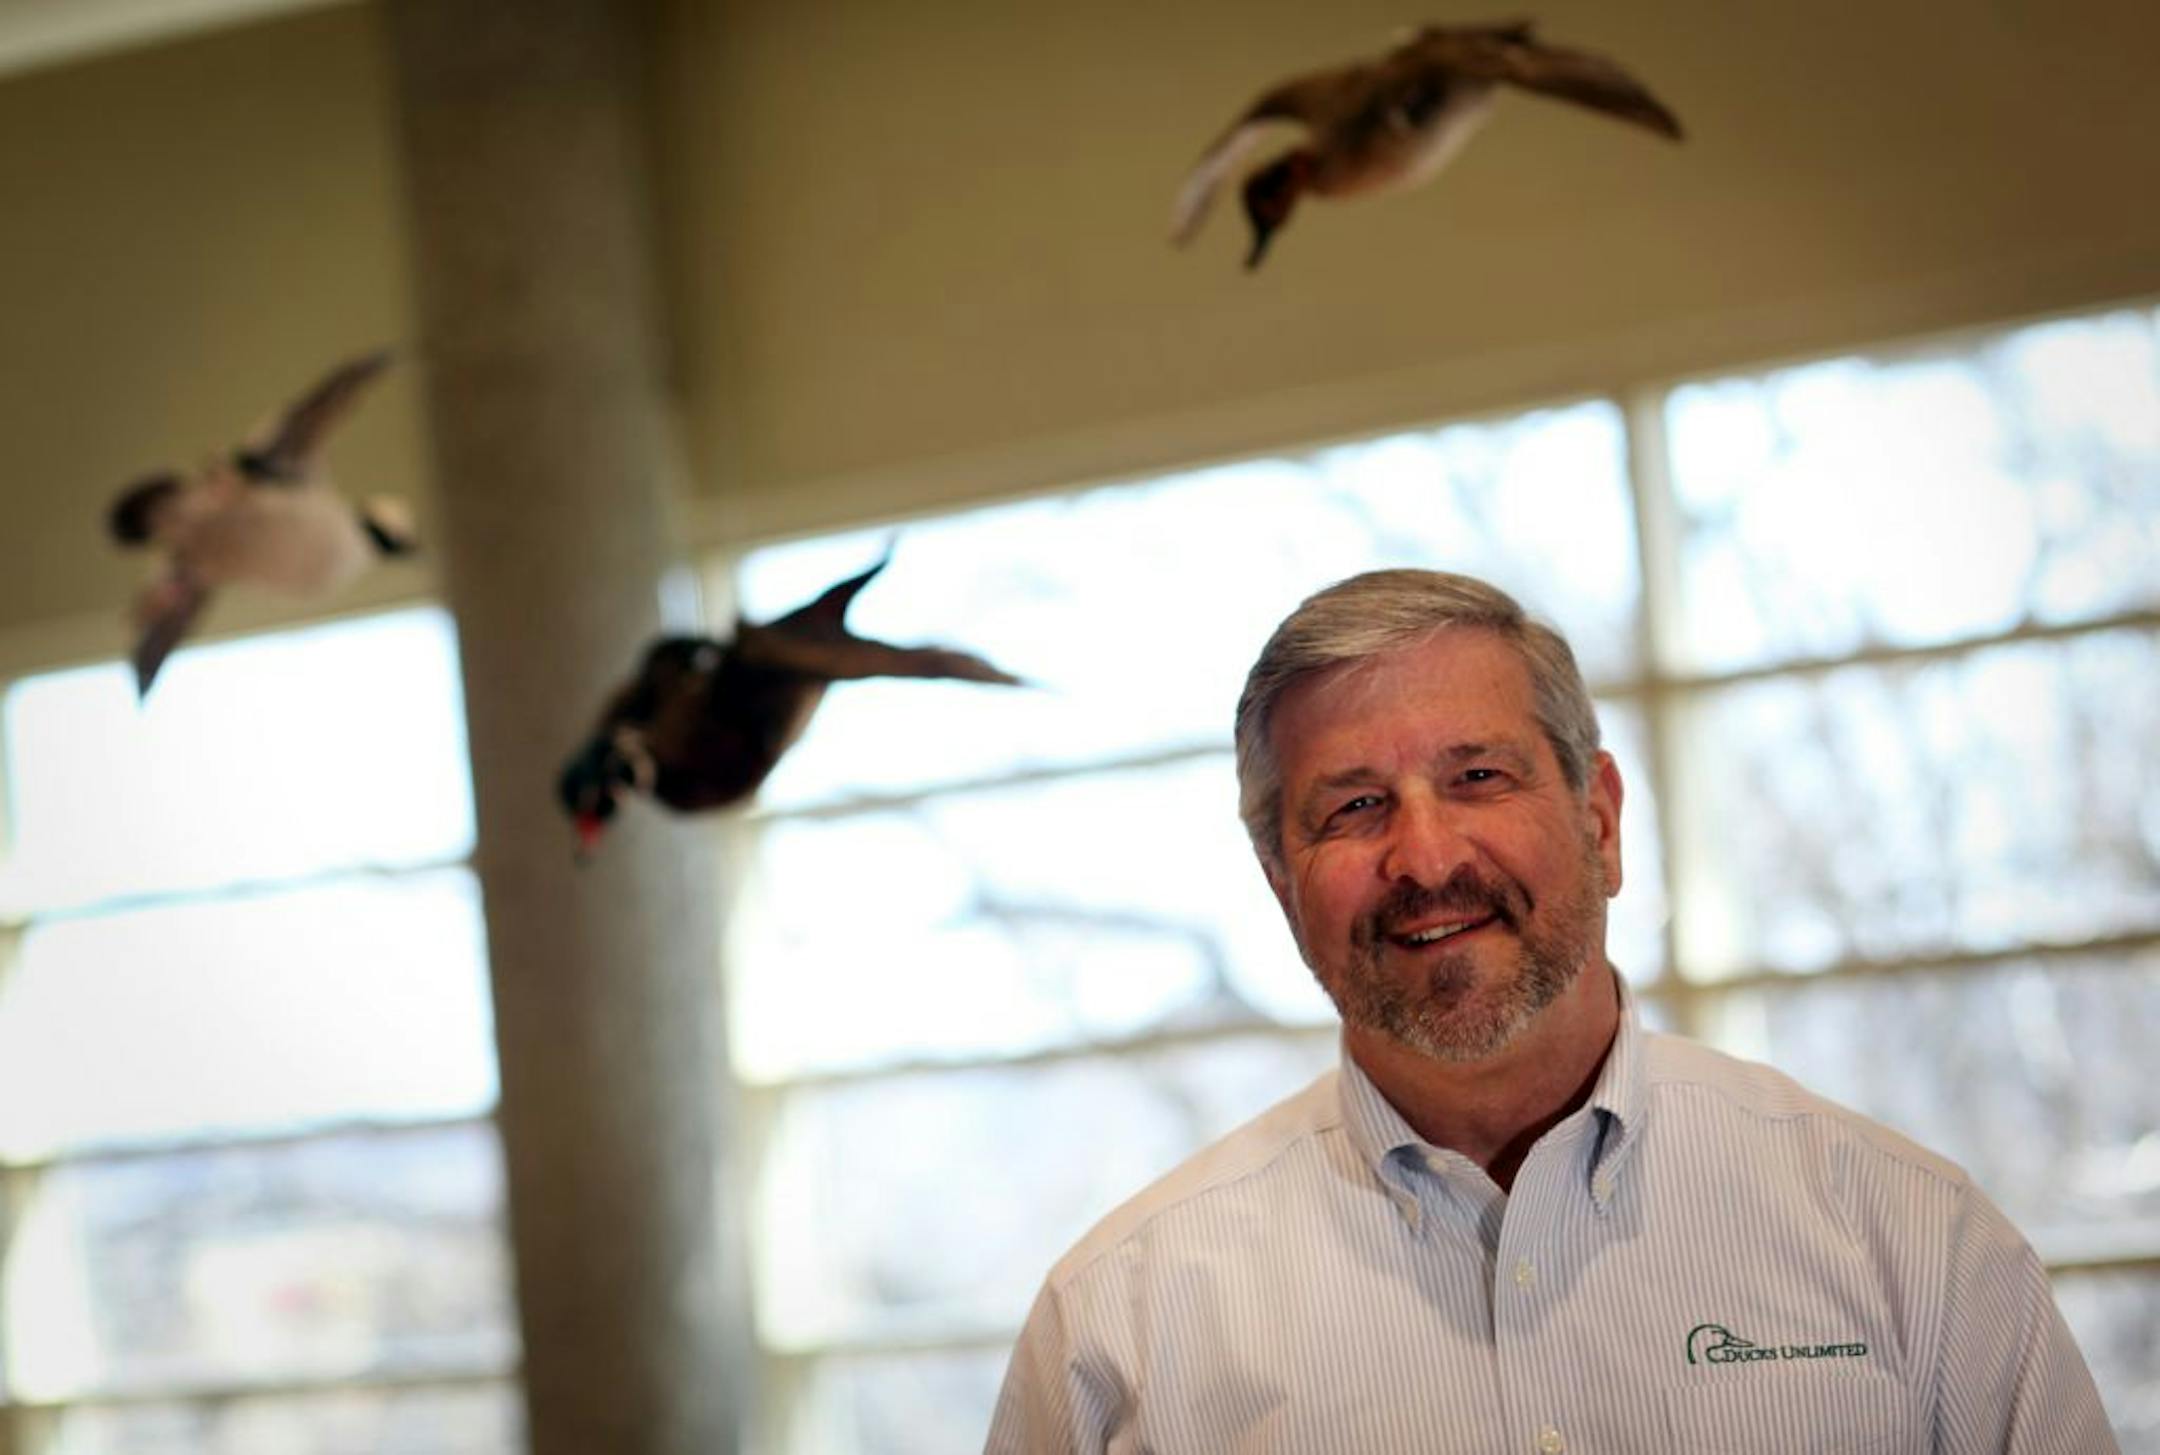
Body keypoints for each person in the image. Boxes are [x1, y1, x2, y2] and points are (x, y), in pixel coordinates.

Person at [985, 569, 2116, 1453]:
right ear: (1283, 884)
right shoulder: (1119, 1327)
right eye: (1356, 807)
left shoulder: (1909, 1238)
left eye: (1479, 777)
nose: (1424, 857)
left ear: (1602, 822)